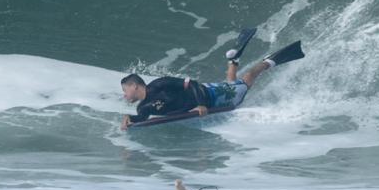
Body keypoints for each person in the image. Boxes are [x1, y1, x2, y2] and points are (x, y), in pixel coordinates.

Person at [119, 30, 304, 130]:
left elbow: (192, 84)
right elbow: (141, 118)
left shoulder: (160, 84)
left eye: (125, 90)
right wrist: (130, 119)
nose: (124, 95)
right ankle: (233, 60)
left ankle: (269, 61)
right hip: (210, 97)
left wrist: (200, 104)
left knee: (246, 81)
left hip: (211, 96)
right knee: (232, 84)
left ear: (134, 85)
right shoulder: (142, 108)